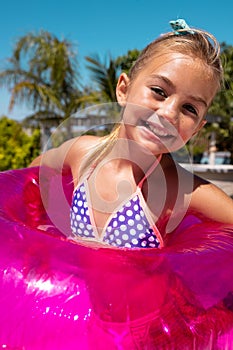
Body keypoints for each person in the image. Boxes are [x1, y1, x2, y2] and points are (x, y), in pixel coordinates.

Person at [30, 19, 233, 250]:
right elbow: (29, 177)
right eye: (159, 91)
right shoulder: (83, 153)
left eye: (190, 109)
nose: (168, 114)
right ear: (123, 90)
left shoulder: (180, 189)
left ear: (197, 127)